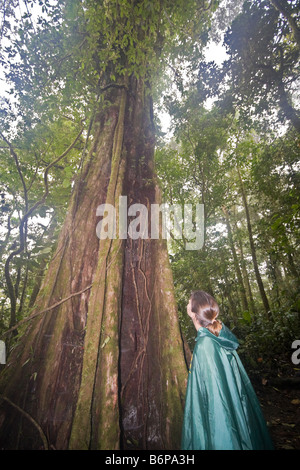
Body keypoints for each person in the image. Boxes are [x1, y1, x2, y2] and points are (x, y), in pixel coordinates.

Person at [181, 290, 274, 450]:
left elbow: (217, 405)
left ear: (194, 312)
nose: (187, 305)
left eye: (189, 302)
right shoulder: (217, 339)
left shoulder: (206, 346)